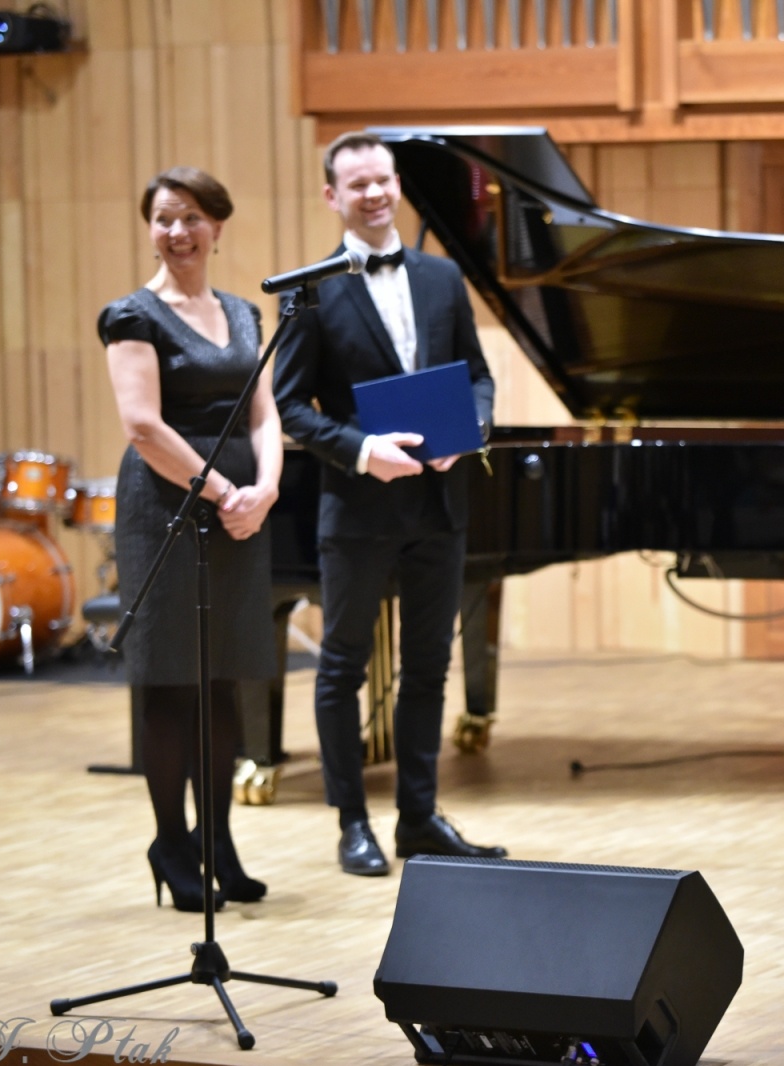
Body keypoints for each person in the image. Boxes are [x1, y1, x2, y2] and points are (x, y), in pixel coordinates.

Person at [273, 131, 502, 876]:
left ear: (396, 185)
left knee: (429, 667)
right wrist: (361, 451)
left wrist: (468, 434)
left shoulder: (441, 278)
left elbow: (479, 378)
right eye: (356, 184)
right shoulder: (312, 289)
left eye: (382, 180)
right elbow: (289, 407)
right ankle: (352, 824)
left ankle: (419, 817)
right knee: (341, 668)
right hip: (359, 508)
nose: (373, 194)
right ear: (332, 197)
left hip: (439, 503)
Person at [101, 167, 281, 912]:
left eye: (191, 218)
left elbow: (264, 415)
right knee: (171, 682)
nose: (177, 233)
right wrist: (219, 490)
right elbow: (142, 425)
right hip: (167, 508)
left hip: (242, 506)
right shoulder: (132, 315)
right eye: (163, 219)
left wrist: (265, 490)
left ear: (217, 226)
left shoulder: (243, 313)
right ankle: (170, 844)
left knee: (224, 679)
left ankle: (220, 841)